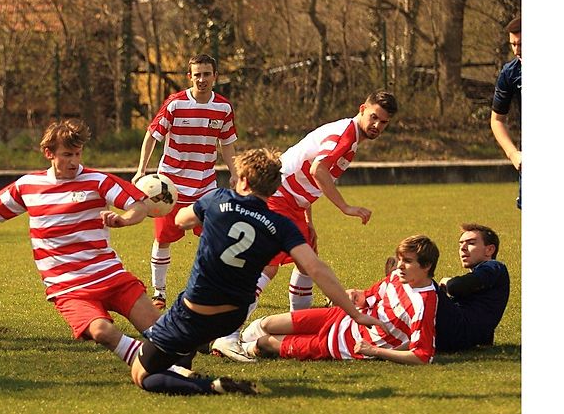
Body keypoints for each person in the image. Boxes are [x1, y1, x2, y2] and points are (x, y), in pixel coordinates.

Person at [130, 148, 380, 395]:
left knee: (141, 374)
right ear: (273, 188)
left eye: (236, 176)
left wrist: (179, 205)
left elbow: (180, 221)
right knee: (186, 339)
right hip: (233, 317)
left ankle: (212, 387)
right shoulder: (281, 225)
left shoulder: (217, 199)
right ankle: (183, 366)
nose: (232, 179)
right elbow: (316, 268)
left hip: (195, 310)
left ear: (245, 181)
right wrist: (355, 314)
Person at [0, 119, 163, 370]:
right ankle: (145, 359)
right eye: (66, 155)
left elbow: (139, 205)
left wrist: (124, 220)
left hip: (111, 277)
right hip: (68, 288)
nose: (74, 161)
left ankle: (193, 345)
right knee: (102, 332)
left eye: (77, 154)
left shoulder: (98, 181)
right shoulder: (28, 186)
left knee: (163, 333)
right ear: (49, 153)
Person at [210, 90, 398, 360]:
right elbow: (317, 170)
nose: (377, 126)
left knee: (307, 263)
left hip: (290, 202)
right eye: (374, 118)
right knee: (268, 267)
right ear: (362, 109)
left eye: (384, 122)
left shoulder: (350, 134)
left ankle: (296, 327)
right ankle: (227, 336)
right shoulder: (345, 135)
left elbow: (305, 169)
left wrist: (308, 220)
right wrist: (346, 207)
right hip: (277, 198)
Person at [132, 54, 238, 311]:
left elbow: (227, 144)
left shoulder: (223, 108)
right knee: (163, 238)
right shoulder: (175, 104)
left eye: (206, 74)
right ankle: (159, 292)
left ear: (215, 76)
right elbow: (152, 135)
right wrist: (141, 171)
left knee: (212, 239)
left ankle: (209, 288)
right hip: (170, 187)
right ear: (189, 76)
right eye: (197, 74)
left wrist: (234, 172)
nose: (201, 79)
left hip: (206, 186)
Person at [238, 235, 440, 365]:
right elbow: (371, 297)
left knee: (265, 344)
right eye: (401, 259)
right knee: (267, 323)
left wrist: (375, 351)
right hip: (339, 317)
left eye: (408, 261)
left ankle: (236, 349)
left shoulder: (423, 303)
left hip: (340, 344)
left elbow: (422, 356)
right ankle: (231, 340)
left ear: (427, 266)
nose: (400, 266)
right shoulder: (398, 276)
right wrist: (356, 296)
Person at [434, 224, 510, 352]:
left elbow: (455, 287)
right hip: (463, 334)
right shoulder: (484, 274)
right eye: (460, 244)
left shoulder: (493, 267)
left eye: (471, 243)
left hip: (459, 334)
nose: (463, 248)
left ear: (489, 250)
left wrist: (445, 282)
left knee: (420, 279)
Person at [490, 17, 522, 209]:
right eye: (513, 44)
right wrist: (513, 154)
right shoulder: (510, 73)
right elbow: (497, 120)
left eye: (522, 44)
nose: (517, 50)